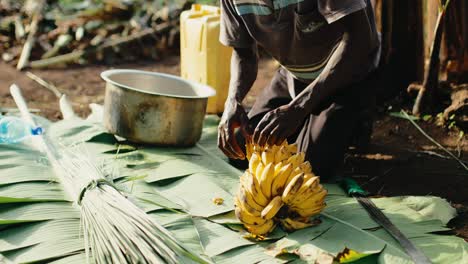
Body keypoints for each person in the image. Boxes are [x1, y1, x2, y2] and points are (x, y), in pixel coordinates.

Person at [217, 0, 381, 180]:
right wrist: (233, 100)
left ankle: (356, 119)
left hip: (347, 75)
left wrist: (299, 108)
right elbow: (243, 53)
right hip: (295, 74)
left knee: (310, 166)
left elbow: (360, 40)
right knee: (243, 149)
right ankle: (312, 122)